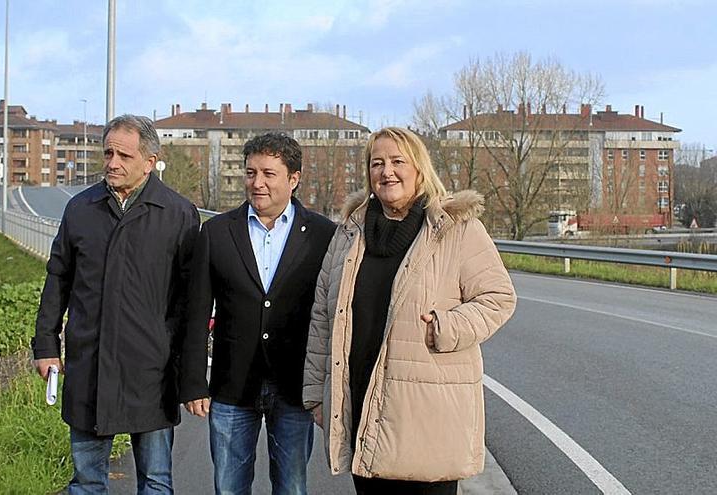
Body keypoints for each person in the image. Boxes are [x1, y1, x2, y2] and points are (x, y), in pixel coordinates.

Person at [303, 127, 516, 494]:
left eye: (398, 161)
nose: (387, 172)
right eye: (377, 163)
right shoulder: (349, 233)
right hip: (365, 408)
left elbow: (498, 297)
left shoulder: (456, 228)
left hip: (427, 416)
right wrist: (315, 395)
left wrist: (446, 327)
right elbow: (323, 315)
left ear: (419, 168)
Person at [32, 115, 200, 494]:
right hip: (89, 365)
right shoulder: (81, 209)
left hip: (152, 371)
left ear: (150, 160)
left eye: (123, 154)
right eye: (108, 152)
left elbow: (192, 301)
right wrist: (46, 345)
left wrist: (188, 373)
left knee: (156, 482)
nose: (112, 162)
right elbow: (58, 278)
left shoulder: (179, 215)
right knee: (87, 481)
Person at [180, 132, 335, 494]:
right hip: (232, 385)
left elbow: (331, 314)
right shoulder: (217, 232)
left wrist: (328, 385)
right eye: (251, 173)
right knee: (229, 487)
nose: (257, 183)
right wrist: (192, 381)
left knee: (291, 487)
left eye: (268, 173)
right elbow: (197, 311)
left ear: (293, 179)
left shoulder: (323, 235)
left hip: (295, 387)